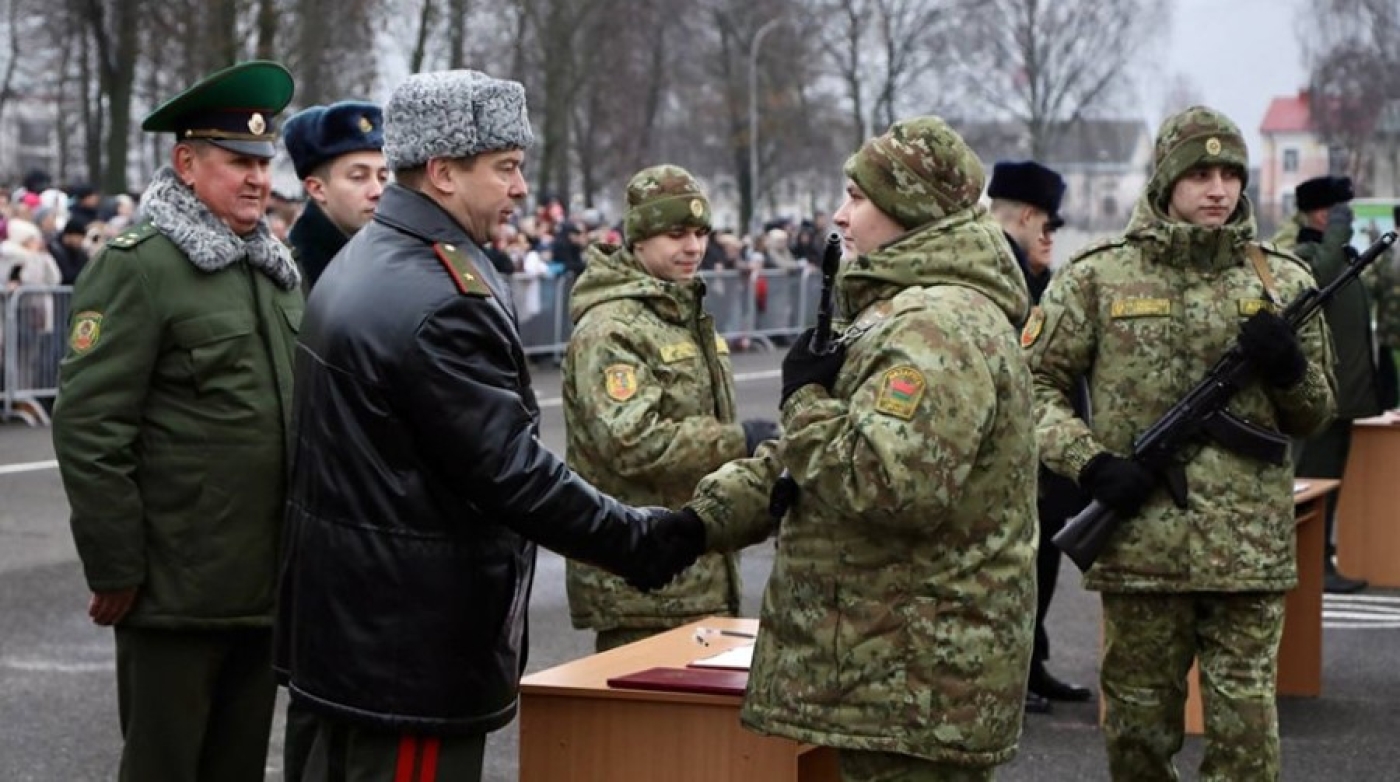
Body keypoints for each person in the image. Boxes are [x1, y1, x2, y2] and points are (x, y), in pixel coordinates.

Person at [273, 69, 703, 782]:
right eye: (504, 167)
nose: (519, 189)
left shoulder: (367, 260)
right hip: (408, 652)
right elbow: (512, 475)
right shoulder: (440, 296)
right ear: (443, 173)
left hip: (352, 636)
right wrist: (644, 540)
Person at [677, 116, 1039, 780]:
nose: (841, 215)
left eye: (859, 198)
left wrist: (806, 400)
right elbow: (812, 464)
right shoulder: (903, 312)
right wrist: (700, 522)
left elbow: (888, 484)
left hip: (912, 679)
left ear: (911, 210)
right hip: (892, 669)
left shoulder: (936, 328)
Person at [1025, 106, 1336, 781]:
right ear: (1167, 180)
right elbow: (1030, 390)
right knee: (1137, 736)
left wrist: (1288, 369)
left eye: (1230, 173)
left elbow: (1315, 415)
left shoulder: (1283, 282)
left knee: (1247, 745)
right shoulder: (1097, 278)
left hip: (1247, 555)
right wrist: (1091, 462)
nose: (1218, 189)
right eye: (1199, 173)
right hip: (1141, 548)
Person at [50, 61, 301, 782]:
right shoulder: (141, 267)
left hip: (264, 583)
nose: (256, 178)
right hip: (176, 587)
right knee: (164, 766)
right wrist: (116, 563)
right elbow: (92, 425)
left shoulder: (272, 271)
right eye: (237, 161)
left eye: (262, 161)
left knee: (238, 767)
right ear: (186, 164)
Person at [561, 164, 779, 652]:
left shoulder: (683, 314)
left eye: (701, 233)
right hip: (646, 579)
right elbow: (630, 442)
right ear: (638, 239)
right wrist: (737, 442)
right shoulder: (613, 327)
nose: (694, 247)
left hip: (697, 573)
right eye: (676, 234)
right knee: (647, 728)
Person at [987, 159, 1094, 714]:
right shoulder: (995, 273)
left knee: (1043, 559)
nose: (1051, 239)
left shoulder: (1029, 275)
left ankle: (1032, 660)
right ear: (1027, 216)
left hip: (1042, 453)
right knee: (1015, 567)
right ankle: (1010, 673)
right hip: (1014, 451)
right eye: (1049, 227)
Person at [1272, 175, 1376, 594]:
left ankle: (1321, 563)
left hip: (1346, 396)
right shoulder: (1304, 253)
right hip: (1320, 397)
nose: (1345, 219)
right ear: (1320, 213)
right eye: (1337, 211)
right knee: (1310, 484)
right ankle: (1305, 566)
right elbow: (1316, 278)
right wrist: (1335, 233)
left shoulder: (1340, 254)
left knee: (1328, 487)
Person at [282, 100, 387, 292]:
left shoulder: (390, 258)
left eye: (383, 177)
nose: (377, 191)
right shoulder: (288, 274)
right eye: (358, 177)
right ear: (317, 189)